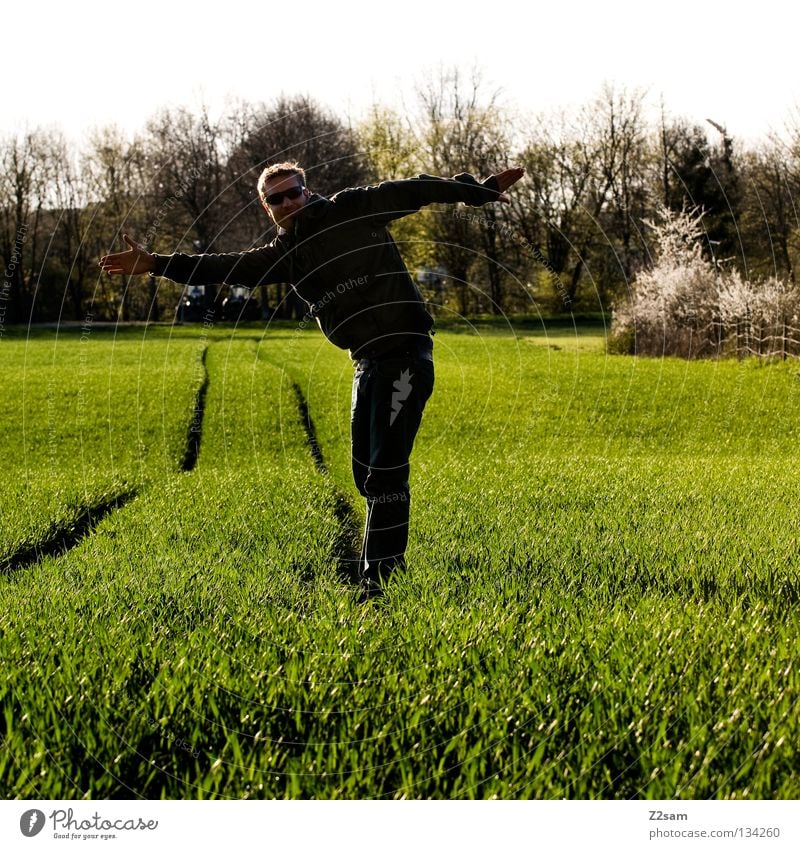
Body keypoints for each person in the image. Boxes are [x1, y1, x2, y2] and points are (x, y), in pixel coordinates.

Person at [100, 162, 524, 597]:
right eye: (277, 199)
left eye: (293, 192)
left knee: (385, 475)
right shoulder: (286, 254)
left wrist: (477, 190)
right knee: (365, 474)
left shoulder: (352, 208)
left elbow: (412, 191)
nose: (288, 203)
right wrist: (155, 263)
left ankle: (379, 583)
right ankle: (380, 570)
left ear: (307, 190)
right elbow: (224, 267)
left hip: (406, 356)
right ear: (268, 209)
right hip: (367, 365)